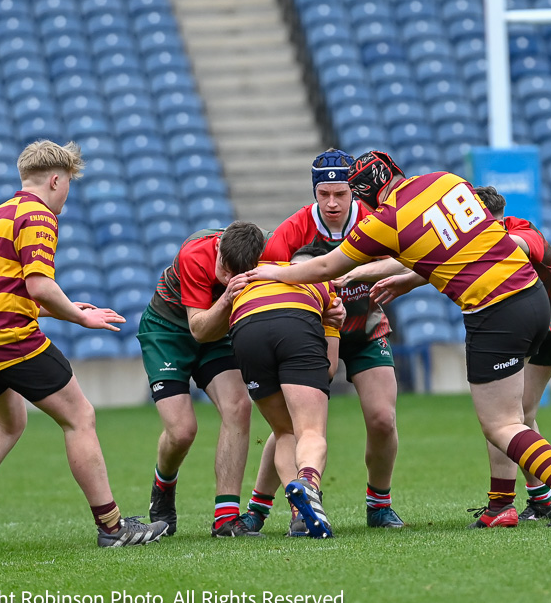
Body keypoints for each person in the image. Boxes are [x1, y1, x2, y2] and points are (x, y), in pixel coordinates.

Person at [240, 150, 551, 527]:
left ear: (364, 195)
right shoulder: (446, 180)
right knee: (514, 416)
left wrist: (272, 274)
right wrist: (410, 279)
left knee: (502, 424)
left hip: (493, 311)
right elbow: (459, 246)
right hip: (532, 297)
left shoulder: (385, 220)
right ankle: (502, 507)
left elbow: (327, 265)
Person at [0, 140, 167, 552]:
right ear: (56, 180)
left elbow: (5, 288)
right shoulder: (39, 214)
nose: (67, 194)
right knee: (80, 416)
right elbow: (39, 285)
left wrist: (65, 309)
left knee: (8, 424)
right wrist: (81, 317)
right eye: (69, 183)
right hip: (4, 333)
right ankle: (112, 526)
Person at [255, 148, 404, 530]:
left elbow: (407, 258)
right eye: (324, 194)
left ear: (354, 191)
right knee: (290, 426)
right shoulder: (293, 230)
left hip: (366, 328)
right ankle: (260, 508)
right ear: (315, 193)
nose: (333, 202)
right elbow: (269, 278)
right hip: (313, 334)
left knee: (383, 419)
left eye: (341, 193)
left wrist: (366, 275)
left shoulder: (376, 221)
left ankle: (379, 505)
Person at [468, 186, 551, 527]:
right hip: (538, 324)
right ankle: (540, 497)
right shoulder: (471, 247)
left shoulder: (522, 230)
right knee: (519, 414)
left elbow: (518, 245)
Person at [137, 220, 268, 538]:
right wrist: (226, 298)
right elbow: (198, 329)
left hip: (217, 335)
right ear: (219, 246)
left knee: (239, 406)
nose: (225, 277)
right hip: (168, 332)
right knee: (182, 432)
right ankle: (163, 485)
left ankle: (226, 518)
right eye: (223, 268)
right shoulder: (195, 254)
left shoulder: (265, 249)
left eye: (235, 274)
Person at [226, 239, 342, 538]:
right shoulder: (323, 283)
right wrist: (333, 326)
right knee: (309, 430)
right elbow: (328, 369)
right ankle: (308, 484)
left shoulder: (253, 273)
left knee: (284, 431)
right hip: (295, 325)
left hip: (246, 328)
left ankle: (299, 516)